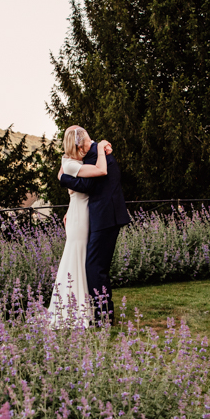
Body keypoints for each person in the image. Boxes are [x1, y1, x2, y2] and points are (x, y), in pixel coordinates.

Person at [57, 127, 130, 324]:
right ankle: (100, 312)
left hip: (106, 217)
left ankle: (104, 316)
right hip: (101, 217)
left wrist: (62, 179)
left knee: (95, 267)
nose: (86, 146)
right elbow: (84, 188)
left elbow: (87, 185)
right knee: (94, 266)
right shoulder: (95, 153)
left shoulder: (98, 154)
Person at [47, 126, 111, 328]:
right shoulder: (71, 165)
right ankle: (76, 309)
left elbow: (75, 190)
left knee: (83, 259)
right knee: (78, 256)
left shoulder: (73, 162)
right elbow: (101, 170)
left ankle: (86, 306)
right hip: (80, 216)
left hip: (80, 211)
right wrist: (101, 147)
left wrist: (68, 208)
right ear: (77, 143)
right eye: (85, 140)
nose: (88, 143)